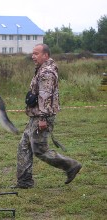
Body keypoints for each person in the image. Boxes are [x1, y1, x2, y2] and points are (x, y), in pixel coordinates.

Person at [12, 43, 82, 189]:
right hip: (36, 116)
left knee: (40, 150)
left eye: (36, 53)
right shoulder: (42, 69)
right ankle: (24, 181)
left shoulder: (47, 73)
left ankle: (71, 165)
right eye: (33, 53)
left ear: (46, 55)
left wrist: (43, 118)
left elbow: (45, 96)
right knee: (24, 146)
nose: (33, 56)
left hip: (41, 117)